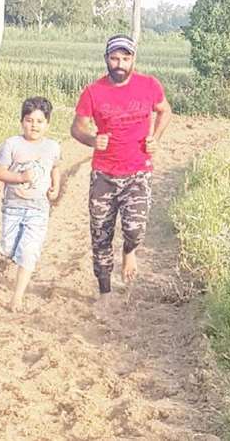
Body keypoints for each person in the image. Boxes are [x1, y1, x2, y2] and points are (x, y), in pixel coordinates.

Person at [71, 34, 172, 307]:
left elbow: (165, 111)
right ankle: (104, 291)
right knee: (100, 234)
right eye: (114, 58)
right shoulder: (93, 91)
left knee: (135, 228)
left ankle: (130, 251)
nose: (119, 64)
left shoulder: (149, 86)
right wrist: (92, 139)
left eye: (125, 58)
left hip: (138, 171)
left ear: (133, 60)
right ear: (106, 59)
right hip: (103, 174)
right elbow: (77, 127)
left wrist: (156, 138)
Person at [0, 96, 61, 312]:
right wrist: (21, 177)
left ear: (47, 124)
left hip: (38, 207)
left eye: (40, 121)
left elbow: (55, 167)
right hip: (13, 206)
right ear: (22, 121)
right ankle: (15, 253)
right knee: (9, 247)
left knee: (29, 251)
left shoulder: (52, 147)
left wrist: (56, 186)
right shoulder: (12, 144)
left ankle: (17, 297)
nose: (34, 125)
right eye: (30, 120)